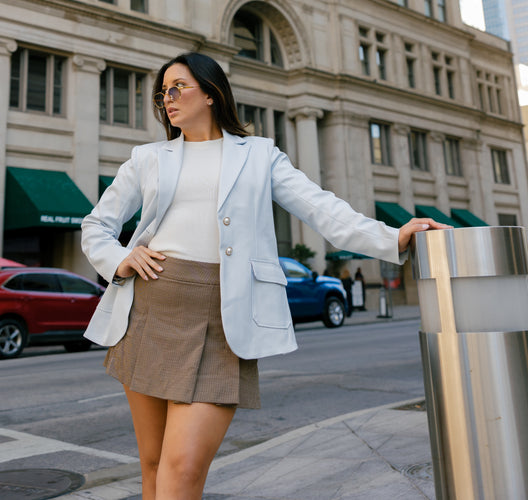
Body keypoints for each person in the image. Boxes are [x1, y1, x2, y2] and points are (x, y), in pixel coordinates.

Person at [81, 52, 448, 500]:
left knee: (181, 471)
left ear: (212, 94)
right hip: (149, 312)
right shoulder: (148, 158)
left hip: (224, 320)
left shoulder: (258, 155)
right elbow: (97, 224)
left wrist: (393, 237)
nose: (167, 99)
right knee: (154, 465)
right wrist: (119, 259)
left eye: (178, 88)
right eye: (162, 93)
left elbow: (321, 208)